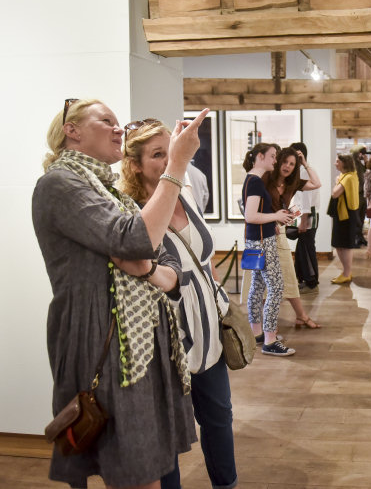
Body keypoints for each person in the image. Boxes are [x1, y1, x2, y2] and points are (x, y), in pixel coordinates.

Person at [32, 99, 209, 489]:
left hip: (135, 343)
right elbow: (138, 238)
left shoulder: (110, 191)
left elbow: (165, 259)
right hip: (105, 340)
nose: (118, 129)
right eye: (106, 120)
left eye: (118, 122)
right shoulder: (60, 184)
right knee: (134, 468)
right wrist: (177, 164)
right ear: (71, 131)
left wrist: (151, 271)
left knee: (144, 464)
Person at [119, 120, 238, 489]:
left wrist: (221, 302)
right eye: (157, 155)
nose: (169, 159)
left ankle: (226, 483)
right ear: (134, 165)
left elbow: (205, 258)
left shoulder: (184, 193)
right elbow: (141, 267)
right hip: (166, 334)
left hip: (208, 327)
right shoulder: (133, 210)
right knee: (168, 431)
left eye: (170, 150)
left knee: (219, 417)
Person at [242, 143, 296, 356]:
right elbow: (250, 216)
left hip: (258, 240)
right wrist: (276, 216)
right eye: (273, 156)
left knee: (257, 286)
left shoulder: (252, 179)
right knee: (276, 288)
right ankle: (270, 340)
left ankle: (258, 333)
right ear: (260, 156)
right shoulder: (255, 182)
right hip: (263, 242)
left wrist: (273, 219)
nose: (276, 160)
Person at [263, 147, 322, 329]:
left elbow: (317, 183)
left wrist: (305, 164)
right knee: (262, 283)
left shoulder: (292, 183)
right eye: (285, 162)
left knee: (286, 275)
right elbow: (255, 206)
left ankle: (299, 316)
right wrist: (272, 219)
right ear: (279, 161)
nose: (287, 166)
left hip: (277, 234)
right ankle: (262, 325)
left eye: (292, 164)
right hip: (263, 233)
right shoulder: (266, 179)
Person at [290, 142, 320, 294]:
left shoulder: (304, 171)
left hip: (307, 217)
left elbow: (306, 199)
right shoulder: (301, 171)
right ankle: (306, 279)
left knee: (306, 249)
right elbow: (298, 200)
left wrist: (303, 221)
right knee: (303, 248)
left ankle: (311, 280)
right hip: (304, 216)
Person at [330, 154, 360, 283]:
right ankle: (346, 272)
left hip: (346, 215)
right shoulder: (349, 176)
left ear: (344, 163)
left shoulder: (347, 178)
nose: (335, 163)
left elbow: (335, 193)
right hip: (344, 214)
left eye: (337, 161)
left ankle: (347, 273)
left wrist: (337, 183)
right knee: (339, 245)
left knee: (345, 245)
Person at [350, 144, 370, 247]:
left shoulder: (359, 164)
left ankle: (360, 237)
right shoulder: (352, 163)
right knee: (356, 218)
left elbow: (368, 171)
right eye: (362, 153)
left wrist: (366, 161)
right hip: (355, 194)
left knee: (361, 217)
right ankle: (355, 239)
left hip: (362, 194)